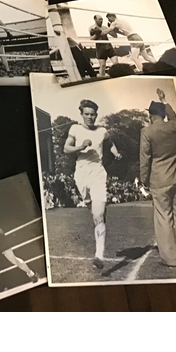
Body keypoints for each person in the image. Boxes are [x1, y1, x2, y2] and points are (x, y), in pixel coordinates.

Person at [139, 88, 176, 267]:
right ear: (163, 114)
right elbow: (175, 118)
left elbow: (145, 159)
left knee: (164, 219)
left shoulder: (147, 132)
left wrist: (144, 181)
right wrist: (164, 100)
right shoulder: (174, 127)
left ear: (150, 116)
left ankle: (171, 259)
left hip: (159, 181)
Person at [64, 99, 122, 269]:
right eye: (87, 114)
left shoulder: (102, 131)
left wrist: (116, 153)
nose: (90, 117)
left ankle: (99, 255)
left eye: (92, 114)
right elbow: (66, 148)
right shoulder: (75, 129)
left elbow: (110, 143)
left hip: (98, 173)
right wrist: (81, 146)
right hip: (81, 175)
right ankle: (100, 219)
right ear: (81, 114)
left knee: (98, 214)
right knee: (94, 214)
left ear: (96, 115)